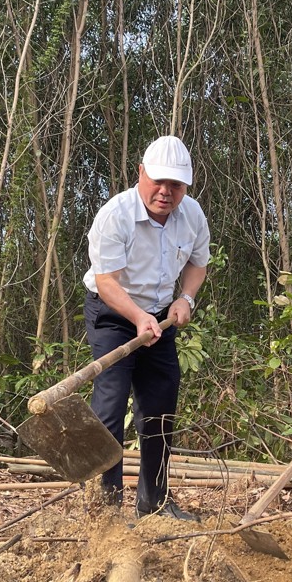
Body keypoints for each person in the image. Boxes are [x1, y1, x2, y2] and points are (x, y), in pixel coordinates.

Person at [84, 136, 210, 521]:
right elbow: (106, 282)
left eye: (175, 185)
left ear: (186, 186)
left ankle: (153, 503)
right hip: (113, 314)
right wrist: (137, 317)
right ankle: (105, 507)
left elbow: (197, 263)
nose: (165, 192)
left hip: (160, 317)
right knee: (110, 402)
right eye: (158, 181)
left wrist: (185, 299)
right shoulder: (115, 215)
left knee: (159, 407)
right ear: (140, 173)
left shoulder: (192, 215)